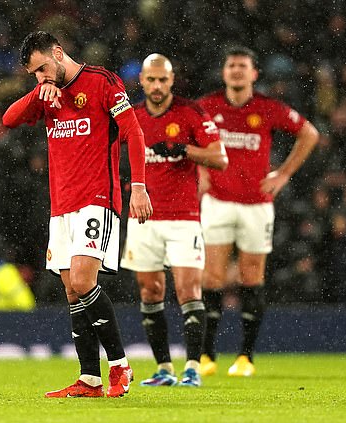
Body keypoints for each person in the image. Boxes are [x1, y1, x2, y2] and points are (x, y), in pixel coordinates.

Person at [2, 31, 153, 398]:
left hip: (96, 198)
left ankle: (119, 365)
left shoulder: (101, 82)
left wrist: (138, 186)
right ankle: (89, 379)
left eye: (42, 69)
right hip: (61, 205)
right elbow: (8, 119)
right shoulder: (45, 94)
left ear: (58, 53)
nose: (40, 77)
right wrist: (39, 92)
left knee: (84, 282)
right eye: (33, 73)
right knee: (72, 291)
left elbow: (133, 132)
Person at [197, 46, 319, 377]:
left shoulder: (267, 108)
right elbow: (182, 136)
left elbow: (309, 133)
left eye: (243, 66)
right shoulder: (207, 107)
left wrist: (284, 173)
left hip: (257, 205)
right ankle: (207, 356)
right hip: (218, 202)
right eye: (231, 65)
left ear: (254, 74)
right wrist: (201, 170)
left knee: (252, 277)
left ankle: (245, 358)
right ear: (224, 73)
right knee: (212, 278)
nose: (236, 71)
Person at [120, 54, 227, 388]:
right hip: (144, 219)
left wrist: (184, 150)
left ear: (172, 80)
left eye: (162, 80)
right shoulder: (131, 116)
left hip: (184, 218)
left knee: (188, 289)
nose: (156, 86)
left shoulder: (190, 112)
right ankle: (164, 368)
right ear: (141, 80)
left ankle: (192, 367)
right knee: (150, 290)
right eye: (150, 80)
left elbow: (220, 158)